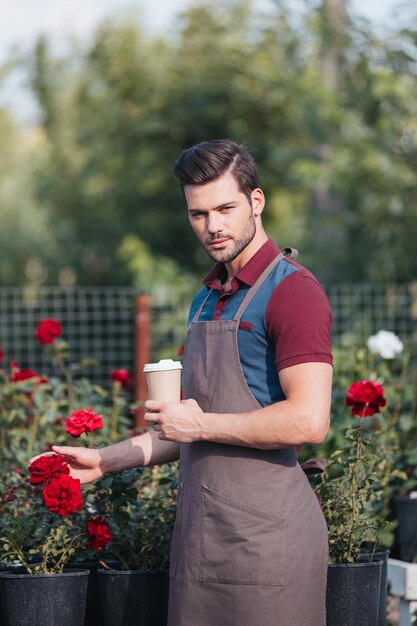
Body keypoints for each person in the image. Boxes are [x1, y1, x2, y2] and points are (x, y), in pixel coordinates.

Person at [47, 140, 333, 625]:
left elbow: (309, 421)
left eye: (225, 208)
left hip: (269, 546)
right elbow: (182, 426)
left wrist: (198, 426)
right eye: (198, 214)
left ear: (256, 201)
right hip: (202, 540)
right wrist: (103, 459)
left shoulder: (293, 293)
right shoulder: (206, 299)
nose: (213, 226)